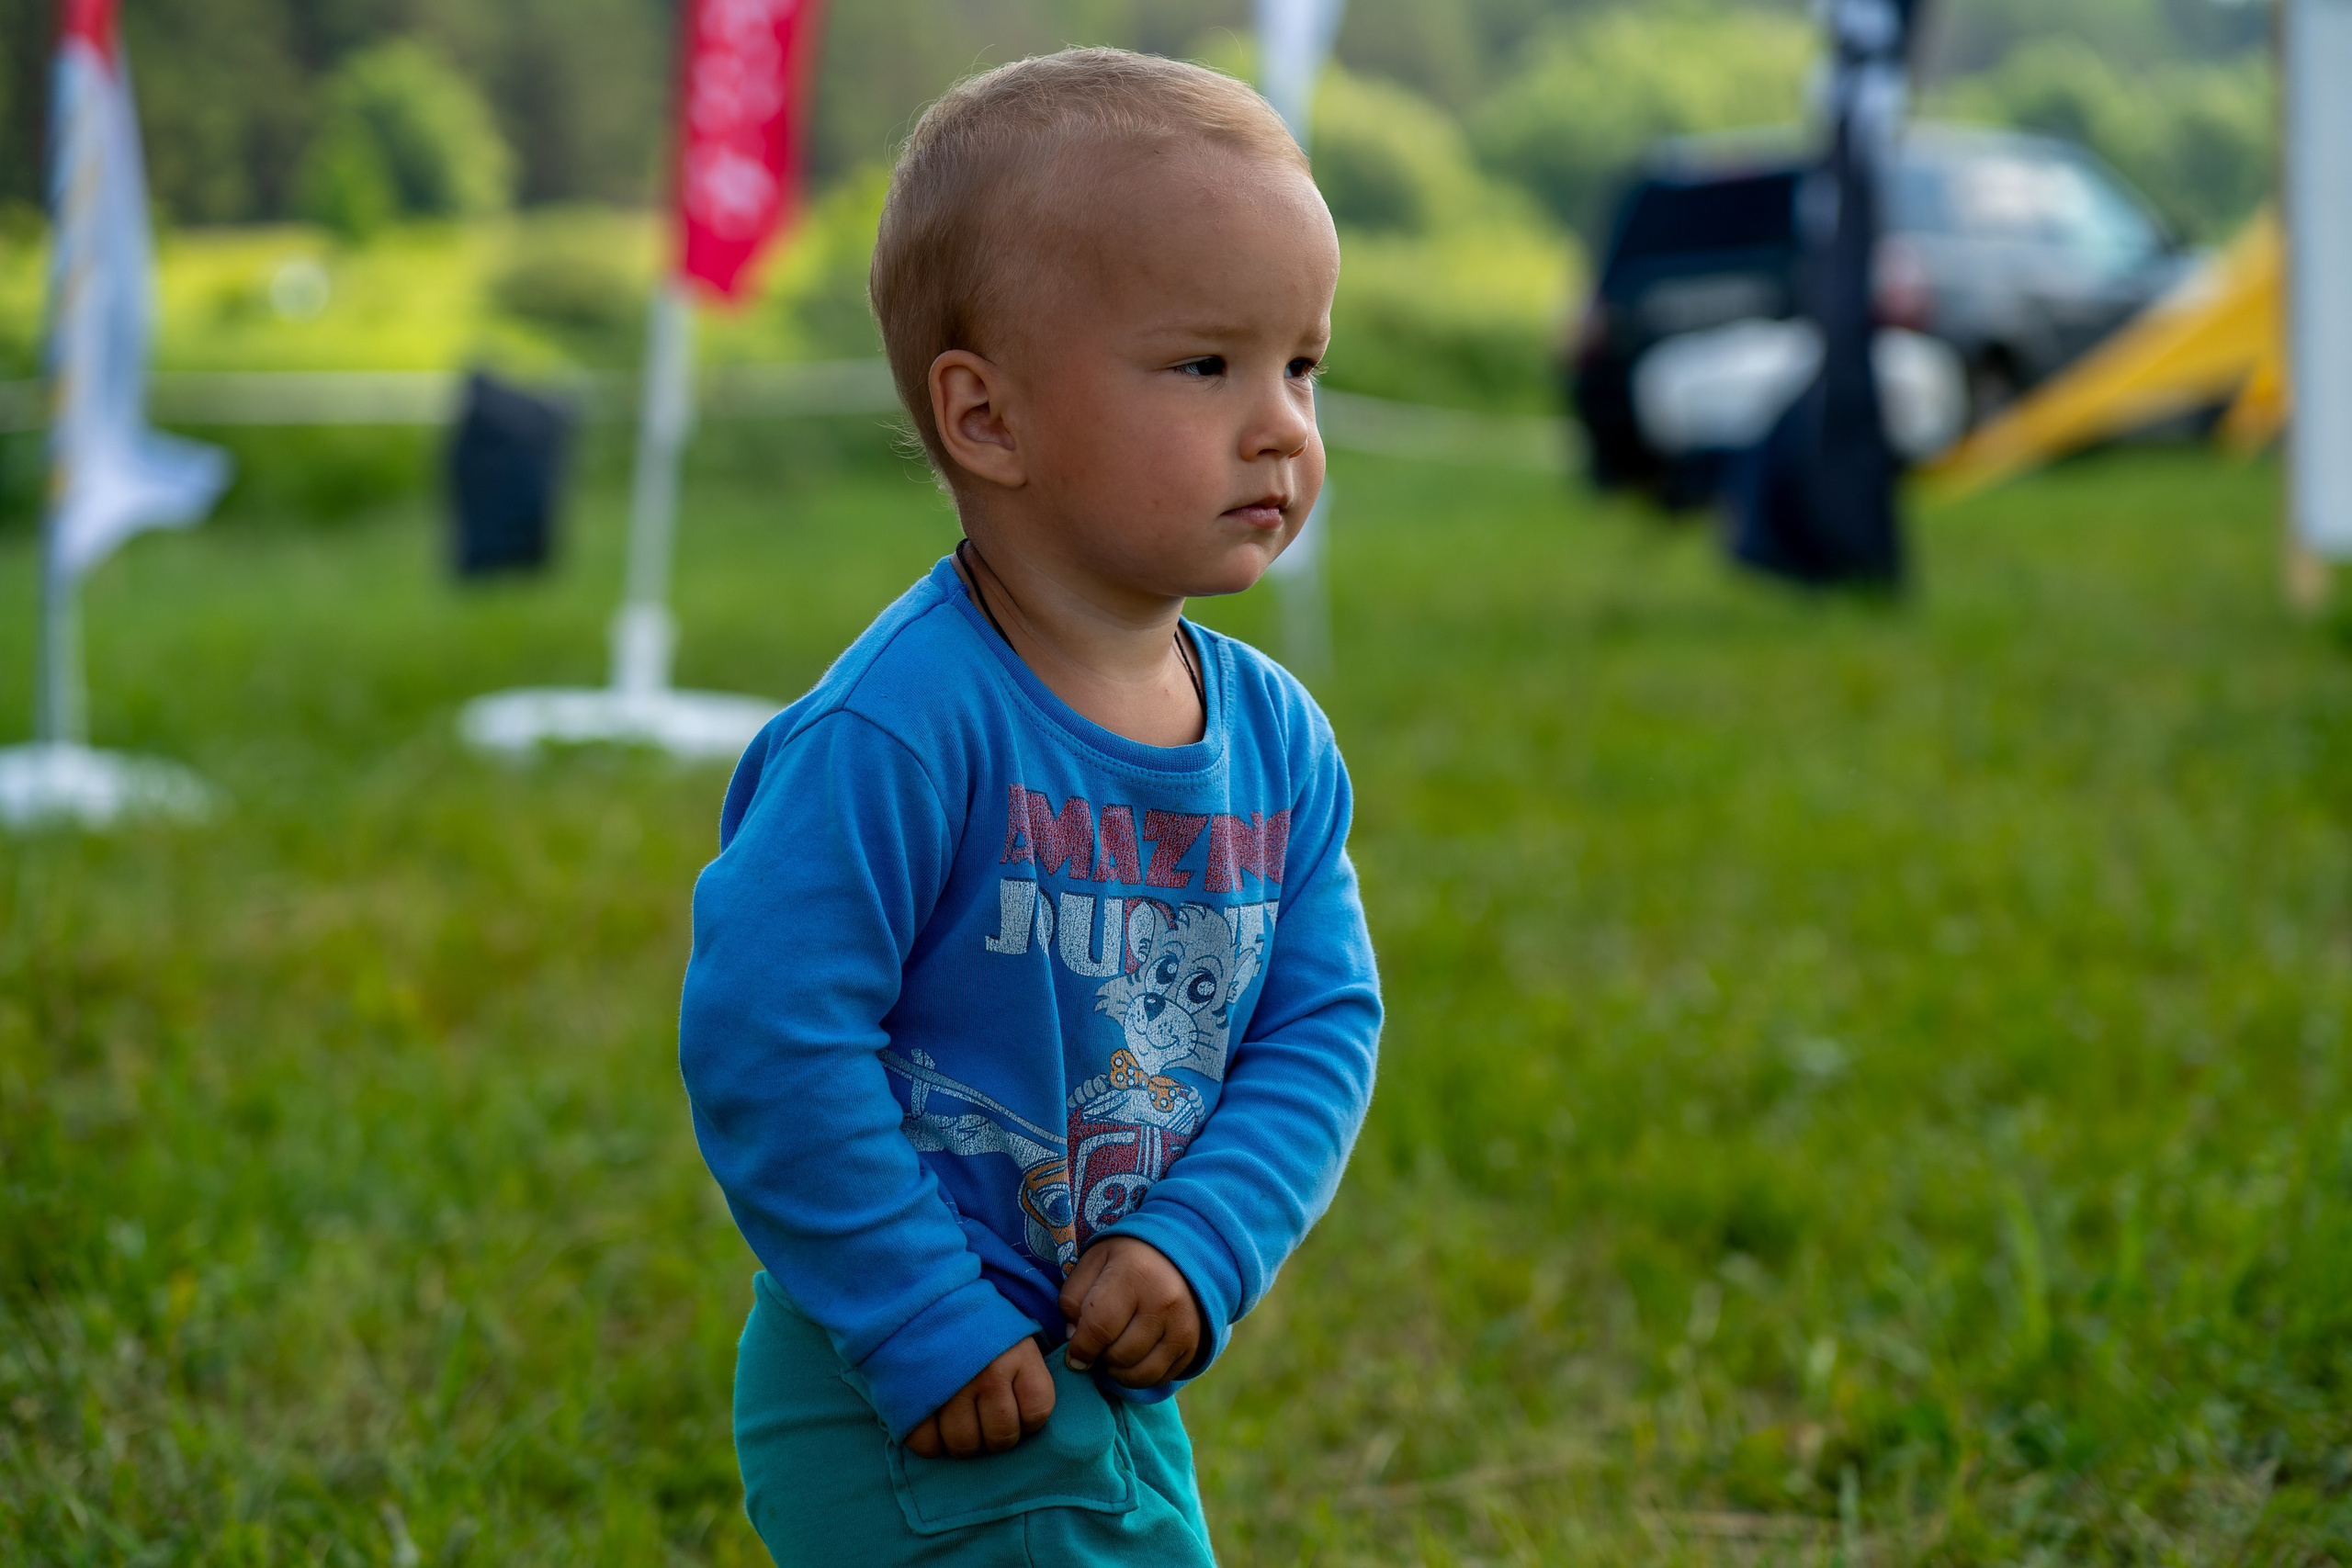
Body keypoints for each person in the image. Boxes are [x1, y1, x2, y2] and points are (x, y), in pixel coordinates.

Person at [678, 46, 1382, 1565]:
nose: (1279, 425)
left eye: (1301, 366)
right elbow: (766, 1030)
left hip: (1109, 1370)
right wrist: (921, 1316)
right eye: (1206, 366)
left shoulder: (1278, 746)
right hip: (916, 1384)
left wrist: (1204, 1239)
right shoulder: (901, 733)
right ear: (986, 419)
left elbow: (1320, 1025)